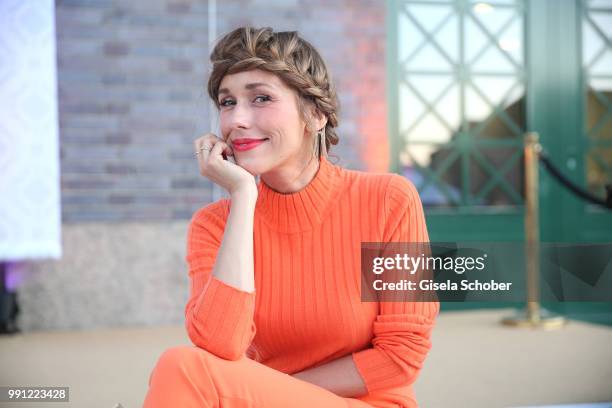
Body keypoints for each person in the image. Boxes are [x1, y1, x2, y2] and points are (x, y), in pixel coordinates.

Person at [143, 26, 439, 408]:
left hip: (368, 404)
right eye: (227, 102)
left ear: (315, 115)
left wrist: (261, 395)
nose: (237, 120)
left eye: (261, 98)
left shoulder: (389, 199)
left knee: (183, 370)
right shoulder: (213, 224)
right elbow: (220, 344)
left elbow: (402, 356)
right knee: (186, 371)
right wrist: (243, 197)